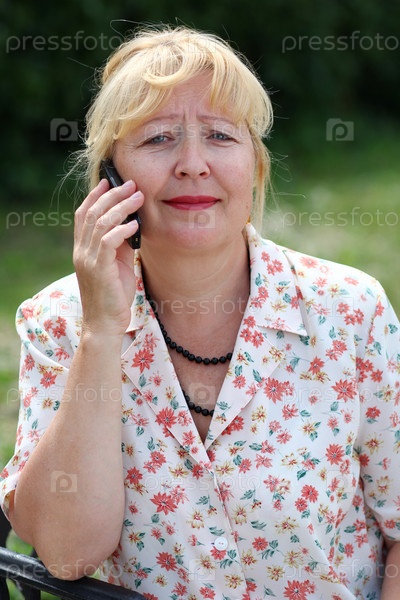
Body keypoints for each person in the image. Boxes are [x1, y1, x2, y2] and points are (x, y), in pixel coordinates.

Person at [1, 25, 400, 600]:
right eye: (159, 138)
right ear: (110, 179)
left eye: (219, 135)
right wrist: (101, 333)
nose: (192, 163)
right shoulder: (59, 322)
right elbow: (67, 553)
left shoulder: (351, 311)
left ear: (254, 166)